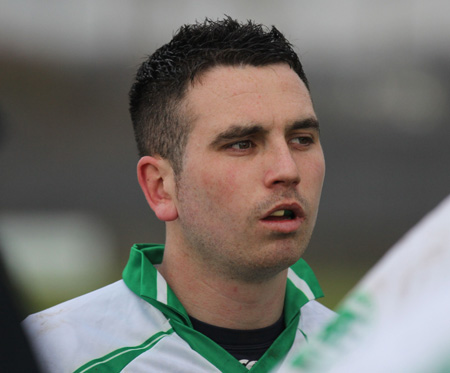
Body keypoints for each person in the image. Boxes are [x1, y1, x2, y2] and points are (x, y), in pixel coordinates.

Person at [23, 17, 335, 372]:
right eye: (242, 144)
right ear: (160, 187)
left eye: (301, 139)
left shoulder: (376, 353)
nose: (287, 170)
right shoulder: (47, 355)